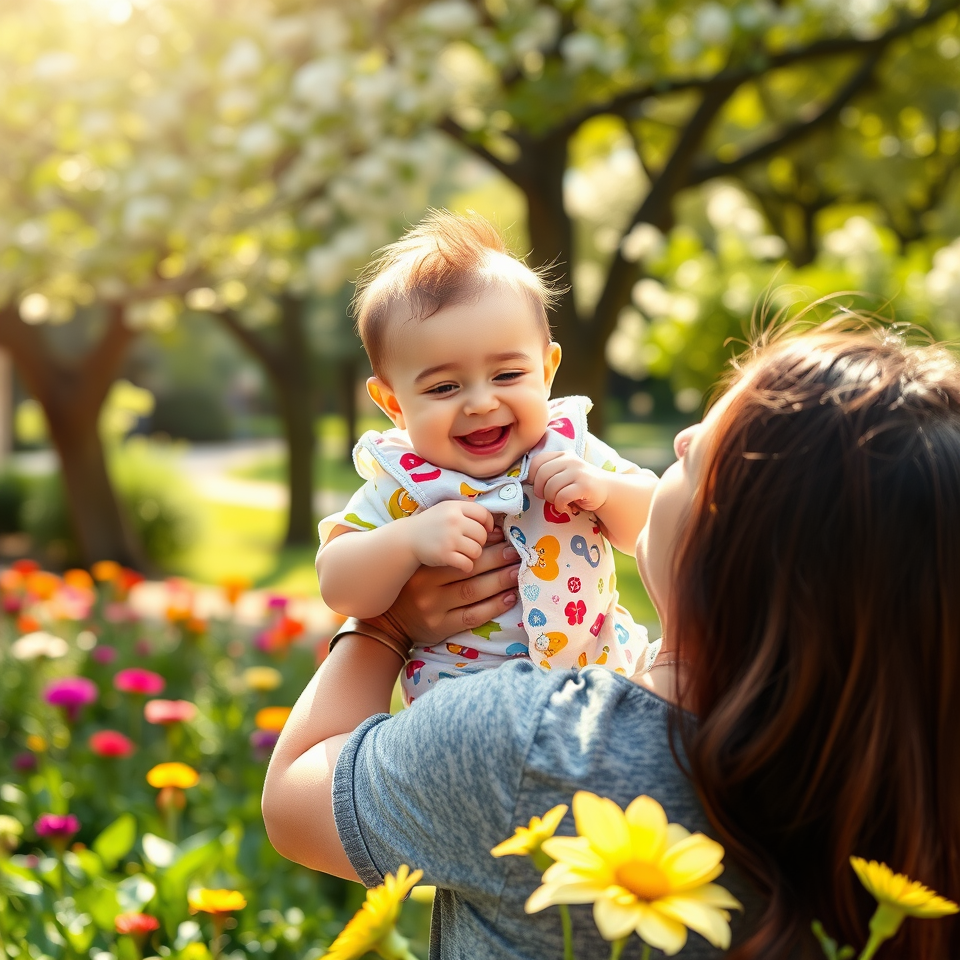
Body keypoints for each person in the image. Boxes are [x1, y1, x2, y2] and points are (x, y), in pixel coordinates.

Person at [263, 319, 960, 959]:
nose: (681, 438)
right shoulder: (907, 791)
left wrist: (383, 627)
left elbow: (294, 802)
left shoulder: (531, 742)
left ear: (743, 549)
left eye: (703, 452)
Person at [316, 211, 660, 703]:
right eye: (444, 386)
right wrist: (407, 540)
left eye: (506, 376)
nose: (480, 402)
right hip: (465, 721)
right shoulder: (406, 483)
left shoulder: (570, 448)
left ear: (546, 371)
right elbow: (338, 584)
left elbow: (657, 526)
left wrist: (606, 493)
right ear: (394, 405)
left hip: (601, 684)